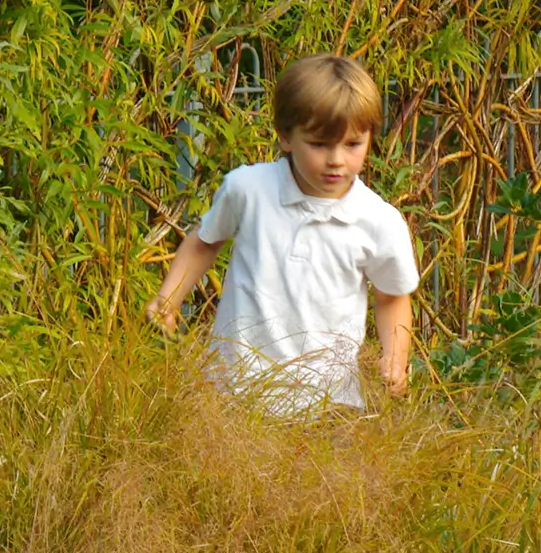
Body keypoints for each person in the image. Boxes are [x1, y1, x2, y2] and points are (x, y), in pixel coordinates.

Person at [147, 54, 419, 411]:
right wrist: (168, 300)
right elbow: (203, 242)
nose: (336, 159)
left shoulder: (378, 221)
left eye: (352, 144)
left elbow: (392, 298)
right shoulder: (248, 189)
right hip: (232, 393)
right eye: (319, 144)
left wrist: (395, 359)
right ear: (286, 136)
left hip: (330, 404)